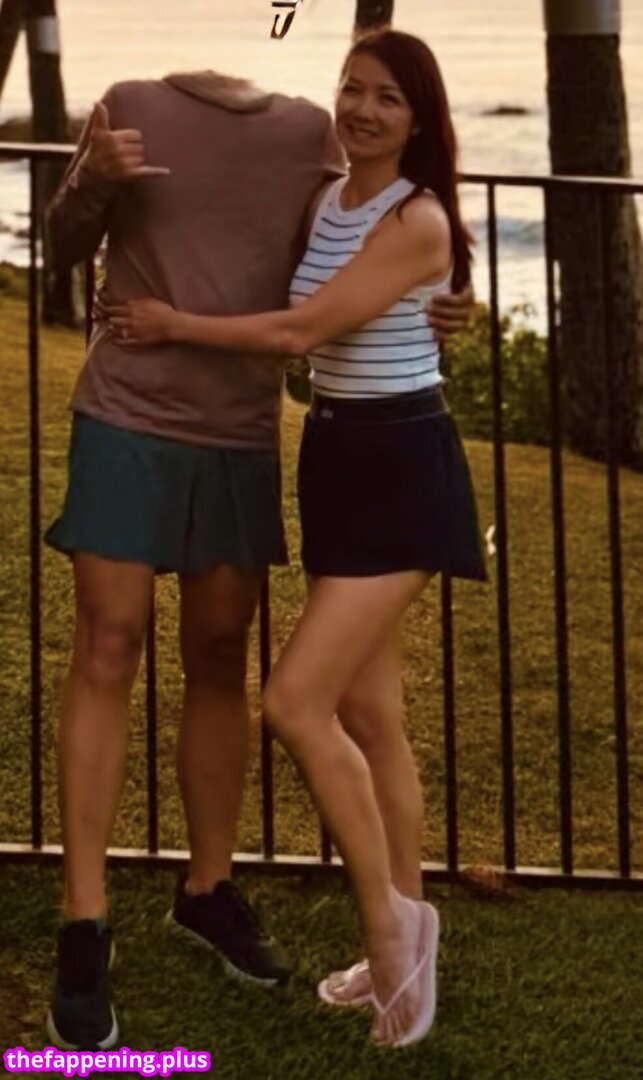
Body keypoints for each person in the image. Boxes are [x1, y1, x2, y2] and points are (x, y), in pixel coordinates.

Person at [44, 60, 472, 1050]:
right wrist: (91, 179)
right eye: (359, 90)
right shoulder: (141, 110)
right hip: (150, 423)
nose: (365, 109)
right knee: (114, 649)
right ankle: (83, 924)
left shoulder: (314, 141)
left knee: (229, 665)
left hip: (261, 442)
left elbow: (342, 289)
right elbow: (65, 244)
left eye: (387, 97)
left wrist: (452, 297)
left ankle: (223, 893)